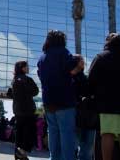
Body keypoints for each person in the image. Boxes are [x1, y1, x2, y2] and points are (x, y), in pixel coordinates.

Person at [88, 33, 120, 160]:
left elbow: (91, 80)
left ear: (107, 42)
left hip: (106, 103)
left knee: (107, 133)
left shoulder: (101, 57)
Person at [37, 30, 84, 160]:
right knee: (67, 135)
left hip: (48, 102)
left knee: (53, 134)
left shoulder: (42, 58)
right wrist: (78, 69)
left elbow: (41, 76)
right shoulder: (63, 52)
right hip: (64, 101)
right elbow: (72, 68)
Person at [10, 60, 39, 160]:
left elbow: (11, 94)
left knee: (20, 133)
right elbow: (35, 91)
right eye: (27, 66)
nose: (28, 68)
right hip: (27, 109)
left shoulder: (14, 80)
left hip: (18, 110)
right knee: (29, 132)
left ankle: (19, 155)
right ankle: (22, 152)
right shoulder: (27, 79)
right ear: (22, 68)